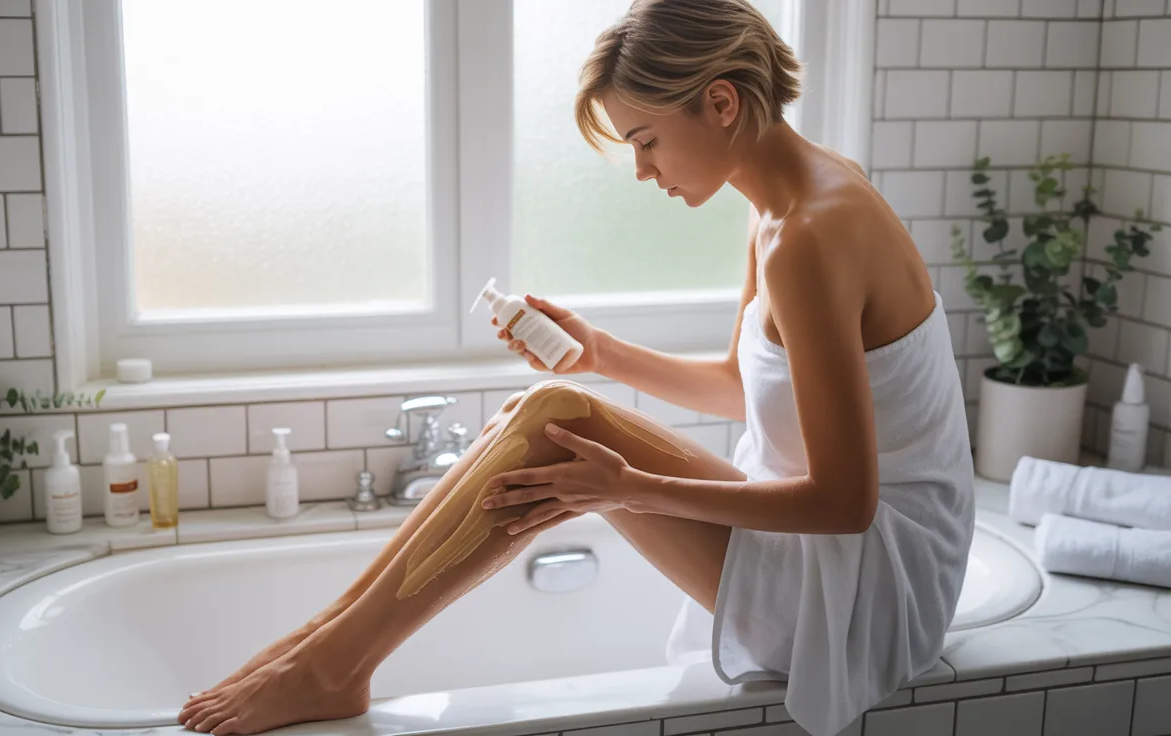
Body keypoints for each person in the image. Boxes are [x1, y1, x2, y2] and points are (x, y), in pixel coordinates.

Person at [177, 1, 974, 734]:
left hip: (870, 592)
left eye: (646, 140)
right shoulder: (779, 213)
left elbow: (846, 503)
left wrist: (629, 487)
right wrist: (600, 352)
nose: (642, 170)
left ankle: (327, 664)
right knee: (545, 409)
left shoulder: (812, 234)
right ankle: (318, 646)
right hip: (835, 559)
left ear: (722, 103)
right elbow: (742, 387)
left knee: (557, 423)